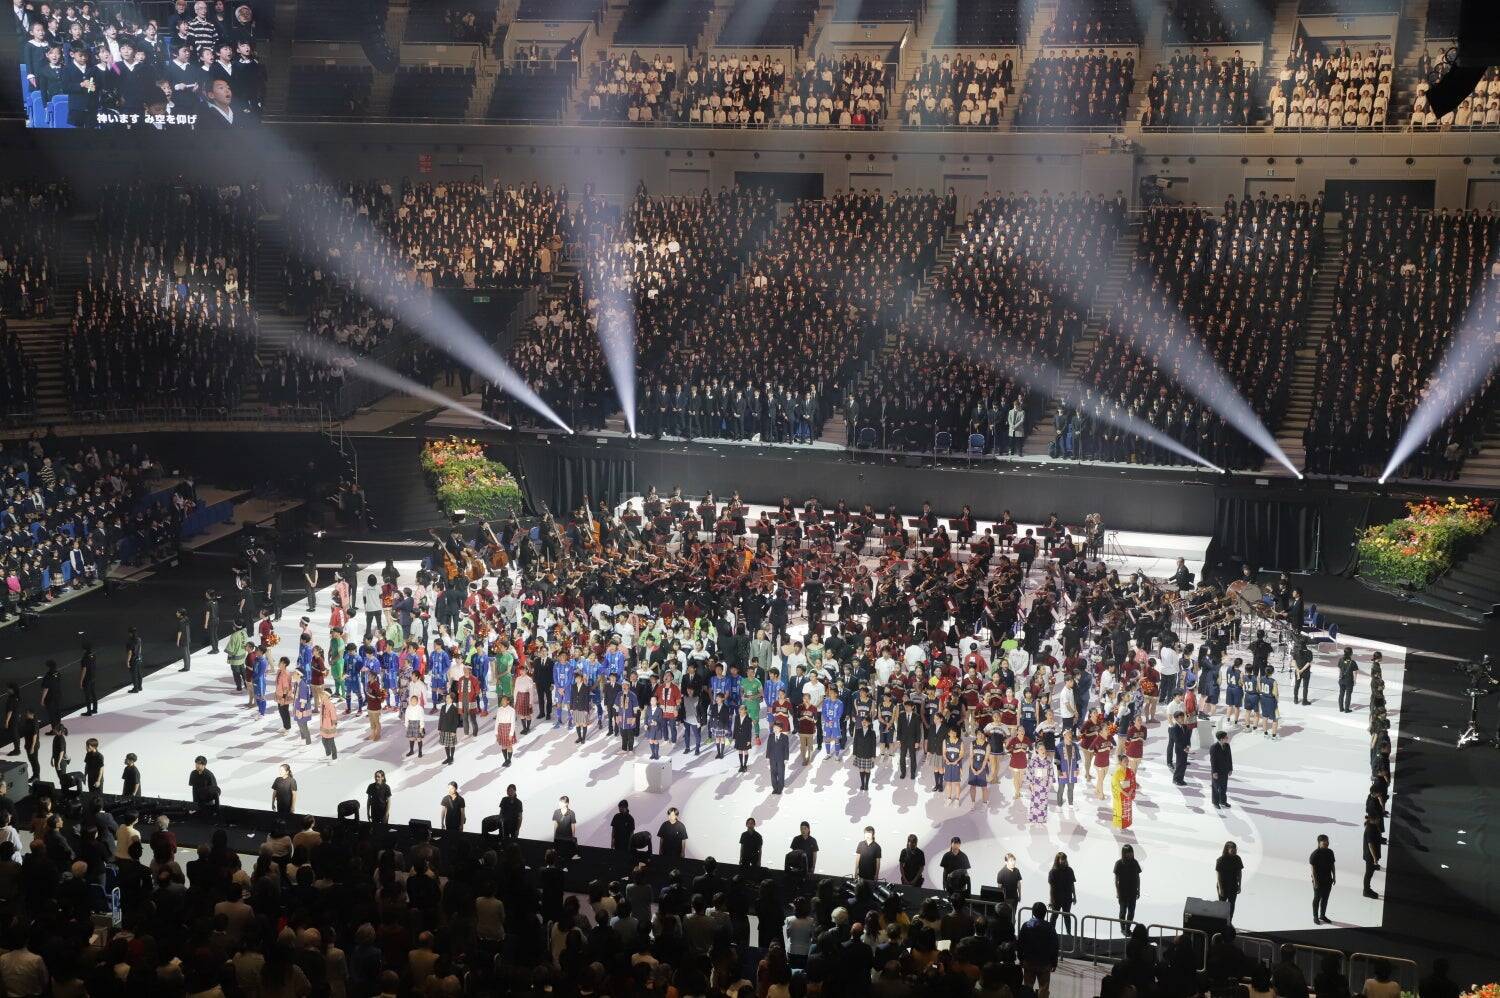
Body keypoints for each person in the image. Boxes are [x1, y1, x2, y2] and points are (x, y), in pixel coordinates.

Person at [1017, 902, 1060, 998]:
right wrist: (1054, 962)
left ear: (1033, 912)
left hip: (1029, 962)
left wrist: (1021, 958)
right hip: (1045, 963)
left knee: (1028, 987)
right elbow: (1055, 946)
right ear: (1045, 913)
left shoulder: (1026, 925)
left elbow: (1020, 943)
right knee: (1043, 988)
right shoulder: (1050, 927)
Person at [1046, 852, 1076, 933]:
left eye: (1065, 859)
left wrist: (1074, 896)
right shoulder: (1053, 872)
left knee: (1067, 915)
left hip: (1067, 897)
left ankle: (1069, 933)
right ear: (1058, 860)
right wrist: (1051, 900)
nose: (1064, 861)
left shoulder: (1069, 870)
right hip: (1056, 898)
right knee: (1054, 915)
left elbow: (1072, 884)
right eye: (1062, 859)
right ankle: (1051, 932)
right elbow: (1051, 888)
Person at [1309, 833, 1336, 923]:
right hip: (1318, 880)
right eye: (1324, 842)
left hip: (1328, 879)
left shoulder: (1330, 852)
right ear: (1319, 843)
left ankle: (1322, 915)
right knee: (1317, 898)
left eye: (1327, 841)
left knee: (1325, 899)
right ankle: (1315, 917)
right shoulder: (1315, 854)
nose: (1326, 843)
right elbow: (1313, 870)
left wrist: (1334, 876)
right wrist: (1315, 882)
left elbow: (1332, 865)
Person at [1114, 845, 1141, 926]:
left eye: (1131, 852)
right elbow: (1116, 880)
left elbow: (1138, 878)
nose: (1131, 854)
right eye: (1128, 852)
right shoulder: (1119, 863)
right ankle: (1123, 928)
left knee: (1131, 912)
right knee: (1123, 911)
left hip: (1132, 892)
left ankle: (1128, 928)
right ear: (1124, 853)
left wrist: (1138, 890)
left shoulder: (1135, 862)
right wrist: (1118, 893)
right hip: (1122, 893)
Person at [1216, 841, 1244, 916]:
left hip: (1233, 885)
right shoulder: (1220, 860)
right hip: (1223, 885)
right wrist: (1220, 889)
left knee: (1231, 905)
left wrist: (1239, 885)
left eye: (1235, 850)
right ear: (1227, 849)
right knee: (1222, 905)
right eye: (1232, 850)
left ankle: (1229, 922)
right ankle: (1221, 920)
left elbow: (1239, 873)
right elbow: (1218, 875)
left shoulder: (1237, 859)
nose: (1234, 852)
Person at [1362, 814, 1384, 899]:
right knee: (1368, 873)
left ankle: (1367, 889)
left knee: (1370, 871)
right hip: (1370, 855)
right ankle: (1366, 890)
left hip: (1371, 854)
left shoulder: (1372, 826)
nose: (1379, 820)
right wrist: (1374, 857)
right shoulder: (1370, 829)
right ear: (1373, 819)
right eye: (1377, 818)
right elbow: (1370, 844)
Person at [1210, 729, 1233, 808]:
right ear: (1221, 739)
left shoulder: (1227, 745)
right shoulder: (1214, 747)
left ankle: (1223, 801)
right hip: (1217, 771)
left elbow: (1229, 758)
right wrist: (1214, 772)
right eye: (1226, 737)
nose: (1227, 738)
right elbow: (1213, 761)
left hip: (1225, 770)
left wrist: (1230, 769)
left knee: (1224, 787)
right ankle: (1215, 802)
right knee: (1216, 787)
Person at [437, 692, 461, 765]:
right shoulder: (443, 707)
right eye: (446, 697)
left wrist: (454, 731)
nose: (446, 699)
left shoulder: (454, 708)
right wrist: (439, 728)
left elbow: (455, 721)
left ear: (452, 699)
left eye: (448, 698)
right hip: (444, 728)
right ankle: (448, 757)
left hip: (451, 729)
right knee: (446, 744)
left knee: (451, 744)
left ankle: (452, 757)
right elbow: (441, 718)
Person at [766, 721, 790, 794]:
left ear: (780, 729)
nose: (775, 729)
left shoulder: (785, 737)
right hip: (772, 758)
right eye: (774, 727)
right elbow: (768, 747)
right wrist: (767, 757)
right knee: (773, 773)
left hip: (781, 758)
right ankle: (775, 787)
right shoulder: (771, 736)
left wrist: (786, 758)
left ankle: (780, 787)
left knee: (780, 773)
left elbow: (786, 748)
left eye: (776, 728)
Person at [78, 640, 98, 716]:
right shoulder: (93, 655)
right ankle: (95, 709)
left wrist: (81, 681)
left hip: (87, 679)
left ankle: (89, 711)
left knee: (87, 695)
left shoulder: (84, 658)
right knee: (93, 693)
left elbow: (84, 670)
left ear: (84, 649)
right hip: (93, 676)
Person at [1338, 647, 1358, 713]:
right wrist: (1355, 680)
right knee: (1348, 695)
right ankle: (1347, 709)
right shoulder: (1352, 662)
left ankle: (1341, 708)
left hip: (1341, 679)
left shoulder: (1341, 660)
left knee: (1341, 694)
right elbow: (1355, 672)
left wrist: (1340, 676)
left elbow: (1339, 669)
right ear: (1351, 653)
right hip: (1349, 680)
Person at [126, 626, 145, 693]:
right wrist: (139, 656)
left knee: (134, 674)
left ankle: (135, 688)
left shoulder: (130, 641)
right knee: (139, 673)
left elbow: (130, 652)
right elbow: (140, 648)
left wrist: (128, 661)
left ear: (130, 633)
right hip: (139, 658)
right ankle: (140, 687)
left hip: (133, 660)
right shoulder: (139, 639)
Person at [175, 608, 192, 672]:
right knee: (187, 652)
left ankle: (186, 668)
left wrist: (178, 641)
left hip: (183, 639)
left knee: (185, 654)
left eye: (177, 612)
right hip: (187, 638)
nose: (176, 613)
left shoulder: (181, 622)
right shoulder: (186, 619)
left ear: (181, 614)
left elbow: (180, 632)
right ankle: (188, 666)